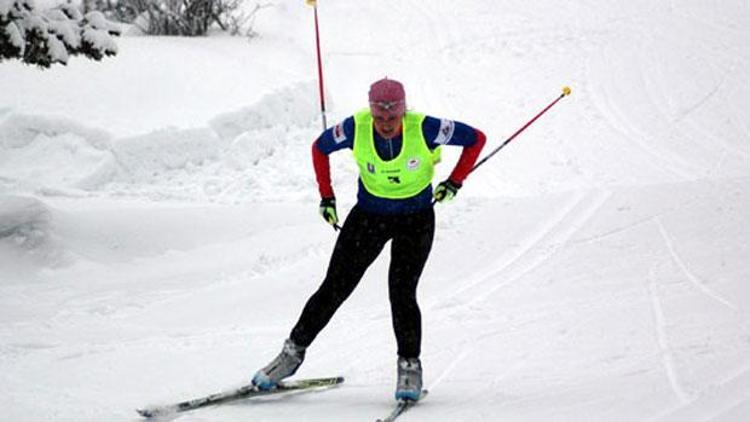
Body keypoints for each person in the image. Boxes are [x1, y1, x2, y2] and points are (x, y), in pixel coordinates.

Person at [251, 77, 486, 401]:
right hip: (369, 218)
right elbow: (319, 148)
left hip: (415, 219)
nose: (386, 124)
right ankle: (290, 355)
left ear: (403, 111)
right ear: (371, 112)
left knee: (402, 292)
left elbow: (476, 139)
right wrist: (326, 196)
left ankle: (409, 367)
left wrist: (455, 181)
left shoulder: (426, 127)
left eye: (392, 117)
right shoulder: (355, 127)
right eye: (379, 117)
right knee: (334, 288)